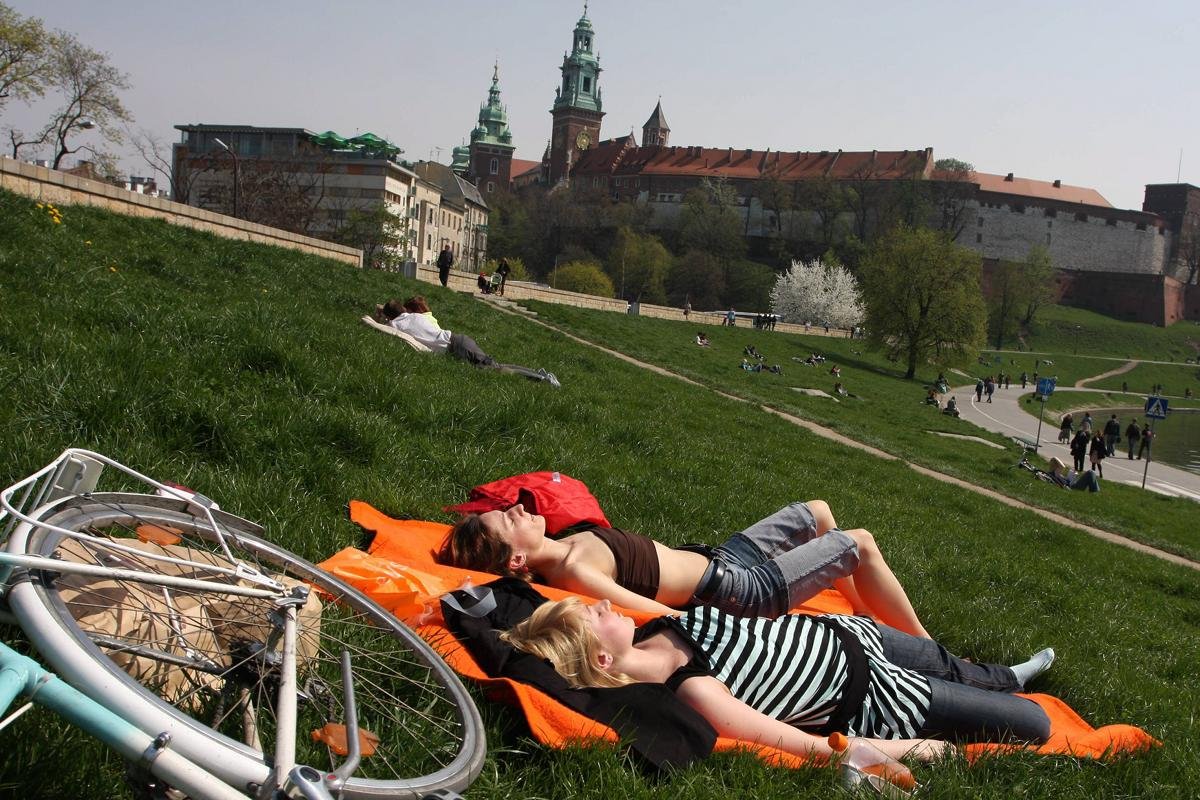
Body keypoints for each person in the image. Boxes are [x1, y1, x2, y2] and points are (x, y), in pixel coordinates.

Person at [501, 598, 1053, 762]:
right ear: (602, 662)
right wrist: (916, 750)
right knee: (1037, 723)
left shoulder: (654, 626)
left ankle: (1007, 675)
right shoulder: (694, 692)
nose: (602, 603)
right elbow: (814, 747)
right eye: (594, 615)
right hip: (885, 699)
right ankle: (1007, 689)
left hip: (847, 634)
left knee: (953, 663)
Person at [439, 500, 930, 637]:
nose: (517, 509)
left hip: (722, 559)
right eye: (507, 519)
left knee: (817, 514)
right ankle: (929, 647)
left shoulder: (568, 541)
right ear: (517, 559)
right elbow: (660, 614)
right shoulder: (573, 572)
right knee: (857, 544)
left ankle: (866, 611)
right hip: (741, 592)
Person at [376, 297, 559, 387]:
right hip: (459, 340)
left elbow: (384, 326)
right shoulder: (418, 315)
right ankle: (539, 374)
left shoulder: (395, 324)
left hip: (456, 349)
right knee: (496, 366)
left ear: (390, 316)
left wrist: (381, 316)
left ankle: (542, 379)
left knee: (497, 370)